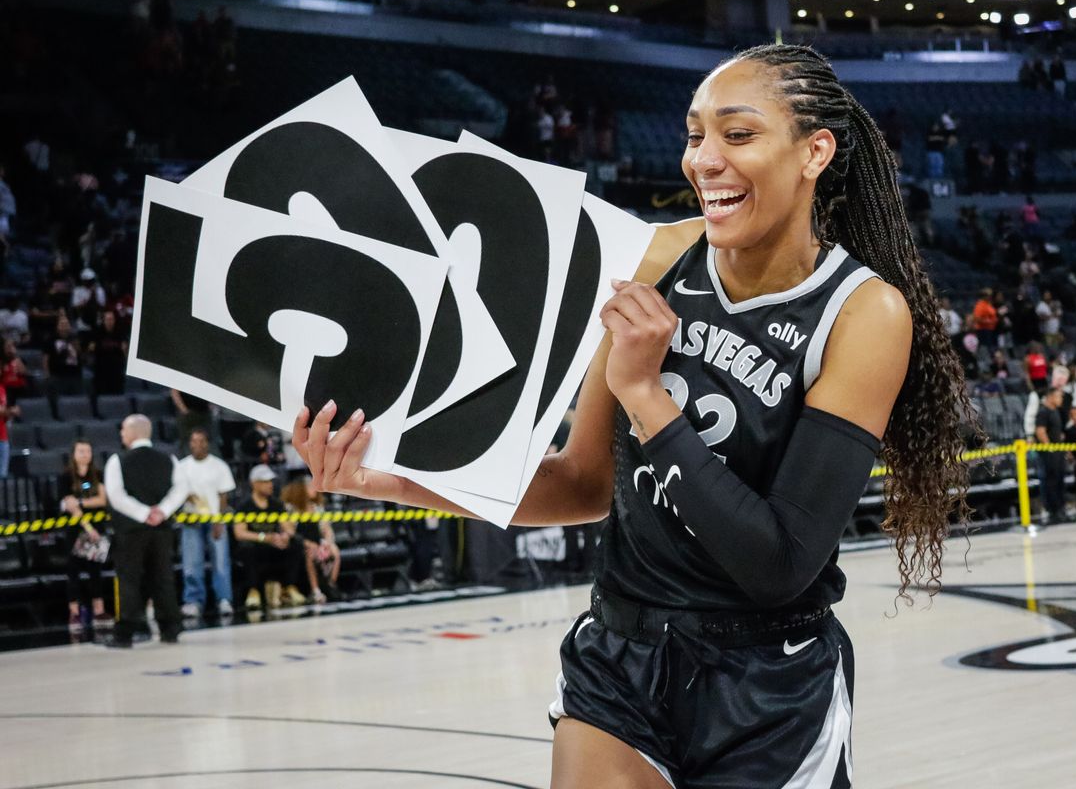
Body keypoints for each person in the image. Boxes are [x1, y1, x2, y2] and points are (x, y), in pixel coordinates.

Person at [291, 44, 973, 787]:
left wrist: (646, 396)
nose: (705, 159)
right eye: (694, 134)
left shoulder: (863, 311)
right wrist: (388, 480)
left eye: (737, 134)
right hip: (621, 653)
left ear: (815, 151)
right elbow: (583, 485)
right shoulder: (652, 262)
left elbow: (780, 562)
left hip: (768, 682)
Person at [104, 414, 189, 648]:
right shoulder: (169, 458)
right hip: (161, 529)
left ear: (133, 432)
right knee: (163, 576)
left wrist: (143, 514)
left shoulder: (117, 461)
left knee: (129, 579)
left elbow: (116, 496)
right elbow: (182, 488)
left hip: (131, 530)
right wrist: (161, 512)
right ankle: (170, 628)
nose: (121, 434)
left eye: (123, 429)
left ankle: (126, 632)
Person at [178, 428, 237, 617]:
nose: (197, 445)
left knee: (221, 561)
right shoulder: (182, 466)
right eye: (194, 441)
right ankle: (193, 601)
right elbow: (177, 493)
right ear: (190, 444)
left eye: (201, 441)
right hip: (191, 520)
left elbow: (223, 495)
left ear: (207, 443)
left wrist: (219, 520)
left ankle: (224, 599)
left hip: (214, 518)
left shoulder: (219, 466)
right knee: (191, 562)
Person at [232, 464, 306, 610]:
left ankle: (289, 587)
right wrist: (264, 537)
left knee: (296, 542)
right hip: (257, 544)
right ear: (254, 483)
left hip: (273, 544)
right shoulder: (244, 506)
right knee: (247, 548)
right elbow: (239, 533)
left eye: (270, 481)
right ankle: (253, 592)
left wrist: (285, 536)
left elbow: (288, 528)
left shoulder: (276, 504)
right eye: (265, 481)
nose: (270, 485)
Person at [59, 440, 112, 629]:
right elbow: (70, 506)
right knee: (73, 571)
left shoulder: (97, 475)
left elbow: (102, 499)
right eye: (81, 451)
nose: (85, 454)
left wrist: (81, 503)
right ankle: (74, 612)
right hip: (76, 529)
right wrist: (88, 527)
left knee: (95, 570)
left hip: (97, 528)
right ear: (74, 454)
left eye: (88, 451)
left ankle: (99, 610)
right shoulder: (65, 477)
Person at [281, 478, 340, 603]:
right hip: (301, 543)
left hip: (318, 541)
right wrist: (308, 544)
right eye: (311, 487)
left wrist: (328, 543)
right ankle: (315, 590)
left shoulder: (317, 508)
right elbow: (290, 531)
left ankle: (330, 584)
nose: (315, 490)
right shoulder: (291, 509)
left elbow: (326, 528)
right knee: (310, 555)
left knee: (335, 551)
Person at [1035, 388, 1067, 525]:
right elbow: (1040, 431)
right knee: (1051, 480)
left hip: (1058, 451)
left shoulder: (1055, 411)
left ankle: (1060, 507)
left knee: (1059, 479)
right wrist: (1050, 448)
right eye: (1059, 396)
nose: (1061, 399)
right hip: (1049, 453)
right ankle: (1054, 509)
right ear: (1050, 397)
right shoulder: (1043, 412)